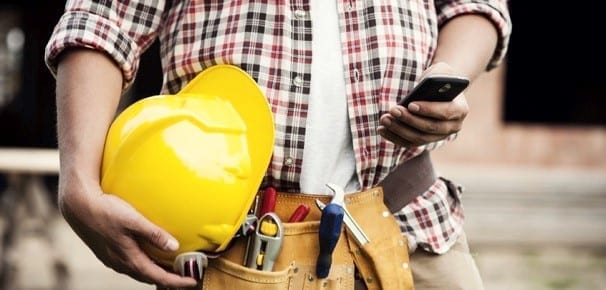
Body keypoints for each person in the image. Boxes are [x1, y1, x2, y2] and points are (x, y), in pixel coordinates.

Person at [44, 1, 511, 289]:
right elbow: (104, 19)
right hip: (236, 248)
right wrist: (79, 180)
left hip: (412, 230)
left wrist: (451, 70)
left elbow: (476, 5)